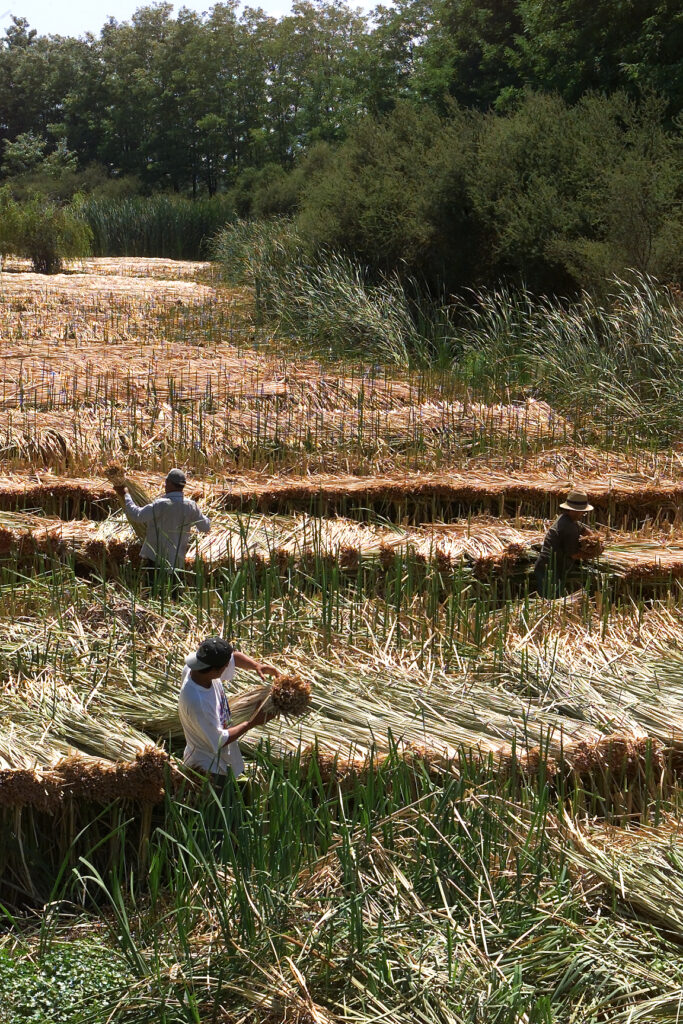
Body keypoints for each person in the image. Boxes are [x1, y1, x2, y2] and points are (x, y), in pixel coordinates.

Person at [178, 636, 279, 785]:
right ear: (215, 670)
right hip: (210, 769)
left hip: (223, 761)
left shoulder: (199, 667)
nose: (229, 666)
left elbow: (234, 658)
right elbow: (219, 740)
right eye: (225, 666)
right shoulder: (197, 702)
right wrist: (252, 722)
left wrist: (256, 666)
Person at [112, 468, 210, 594]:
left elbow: (137, 515)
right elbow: (205, 527)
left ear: (168, 483)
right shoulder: (191, 506)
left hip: (156, 561)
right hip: (177, 563)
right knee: (174, 598)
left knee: (154, 595)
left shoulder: (161, 504)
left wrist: (126, 495)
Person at [534, 490, 593, 597]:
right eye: (581, 511)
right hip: (549, 569)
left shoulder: (567, 519)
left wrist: (595, 539)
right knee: (550, 599)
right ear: (573, 510)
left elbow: (583, 529)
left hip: (554, 566)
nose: (582, 514)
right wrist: (592, 554)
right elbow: (574, 555)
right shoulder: (568, 528)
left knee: (554, 596)